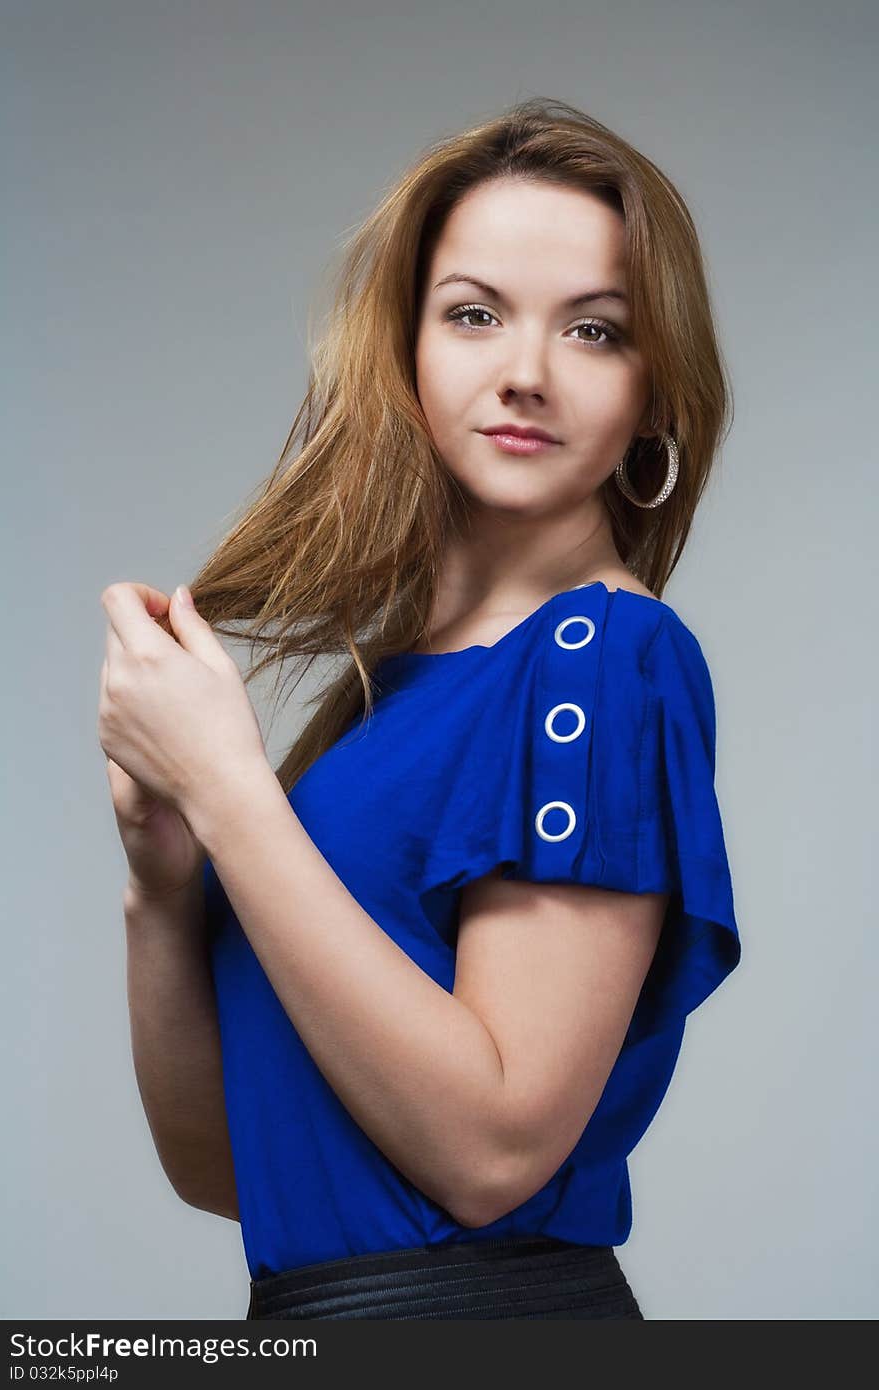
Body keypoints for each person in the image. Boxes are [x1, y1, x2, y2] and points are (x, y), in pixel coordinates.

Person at [101, 96, 742, 1320]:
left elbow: (492, 1152)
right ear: (405, 349)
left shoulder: (603, 661)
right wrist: (163, 877)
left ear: (656, 394)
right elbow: (224, 1172)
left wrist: (234, 792)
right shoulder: (381, 694)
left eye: (595, 332)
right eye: (474, 313)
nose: (524, 372)